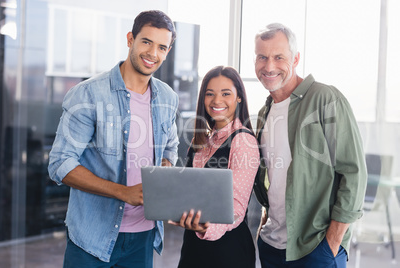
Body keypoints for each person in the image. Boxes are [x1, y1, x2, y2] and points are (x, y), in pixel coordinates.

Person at [48, 10, 179, 268]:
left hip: (143, 235)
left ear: (168, 50)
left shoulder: (167, 98)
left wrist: (164, 170)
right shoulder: (88, 94)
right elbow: (60, 164)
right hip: (92, 237)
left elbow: (170, 149)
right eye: (146, 42)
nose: (153, 53)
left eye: (162, 47)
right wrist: (123, 192)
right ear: (130, 39)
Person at [252, 23, 367, 268]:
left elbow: (354, 174)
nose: (269, 66)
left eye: (278, 57)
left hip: (315, 248)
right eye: (262, 57)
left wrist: (331, 243)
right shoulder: (264, 112)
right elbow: (272, 177)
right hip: (272, 246)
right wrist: (264, 223)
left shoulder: (325, 98)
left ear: (296, 59)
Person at [169, 66, 260, 268]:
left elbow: (236, 208)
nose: (217, 100)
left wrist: (206, 228)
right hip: (193, 245)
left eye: (225, 94)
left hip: (227, 252)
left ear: (239, 98)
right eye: (210, 94)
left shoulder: (243, 140)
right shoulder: (201, 141)